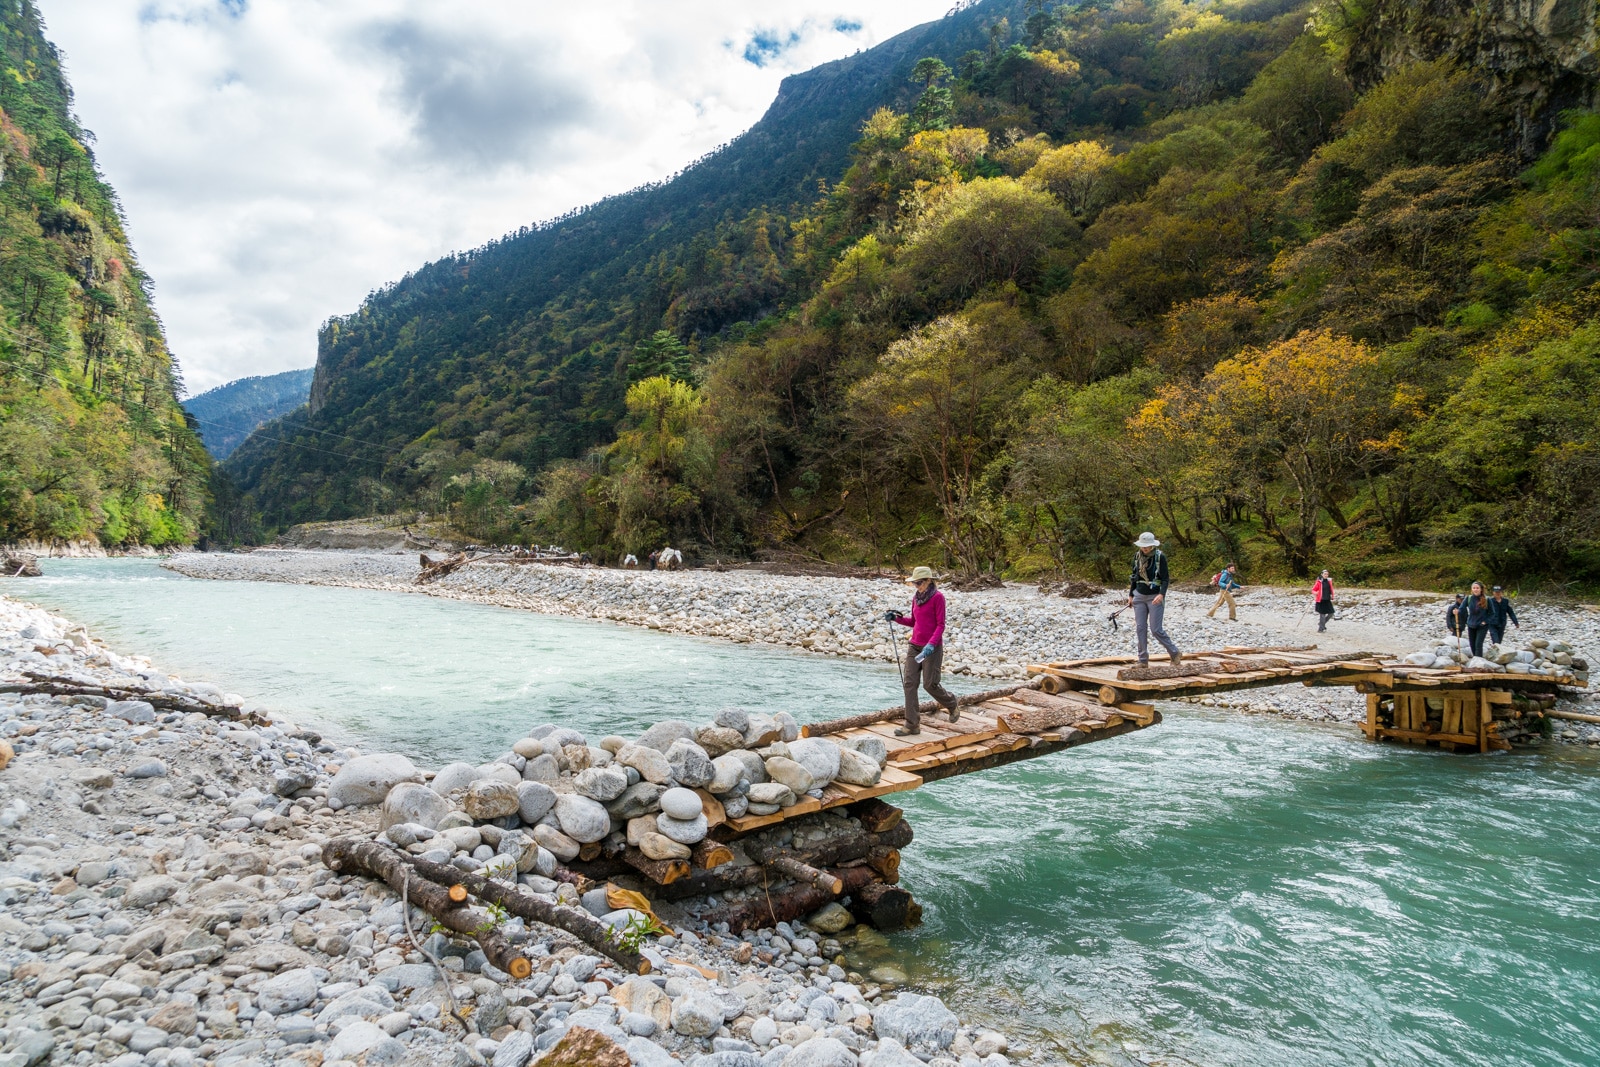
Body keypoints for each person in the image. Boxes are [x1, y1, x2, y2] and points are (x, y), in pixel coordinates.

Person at [883, 566, 959, 736]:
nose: (916, 586)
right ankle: (912, 725)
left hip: (932, 648)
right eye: (914, 583)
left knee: (929, 685)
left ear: (928, 581)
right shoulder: (916, 598)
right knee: (909, 684)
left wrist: (931, 644)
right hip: (915, 645)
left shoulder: (938, 598)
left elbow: (941, 625)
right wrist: (896, 618)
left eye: (919, 582)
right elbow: (913, 622)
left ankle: (952, 703)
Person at [1128, 532, 1181, 666]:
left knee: (1155, 629)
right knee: (1140, 628)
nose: (1144, 548)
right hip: (1139, 595)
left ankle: (1174, 652)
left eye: (1147, 546)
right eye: (1143, 546)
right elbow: (1134, 577)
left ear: (1152, 545)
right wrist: (1131, 595)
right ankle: (1143, 660)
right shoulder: (1137, 557)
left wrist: (1161, 594)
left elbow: (1165, 579)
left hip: (1155, 596)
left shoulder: (1160, 557)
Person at [1461, 580, 1494, 658]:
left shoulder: (1487, 599)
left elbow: (1492, 613)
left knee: (1478, 644)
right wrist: (1456, 611)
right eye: (1474, 588)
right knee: (1472, 644)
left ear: (1481, 589)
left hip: (1482, 625)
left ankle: (1478, 661)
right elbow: (1461, 608)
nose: (1475, 589)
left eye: (1477, 588)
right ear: (1471, 589)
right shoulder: (1468, 598)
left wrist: (1485, 622)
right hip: (1471, 624)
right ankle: (1476, 658)